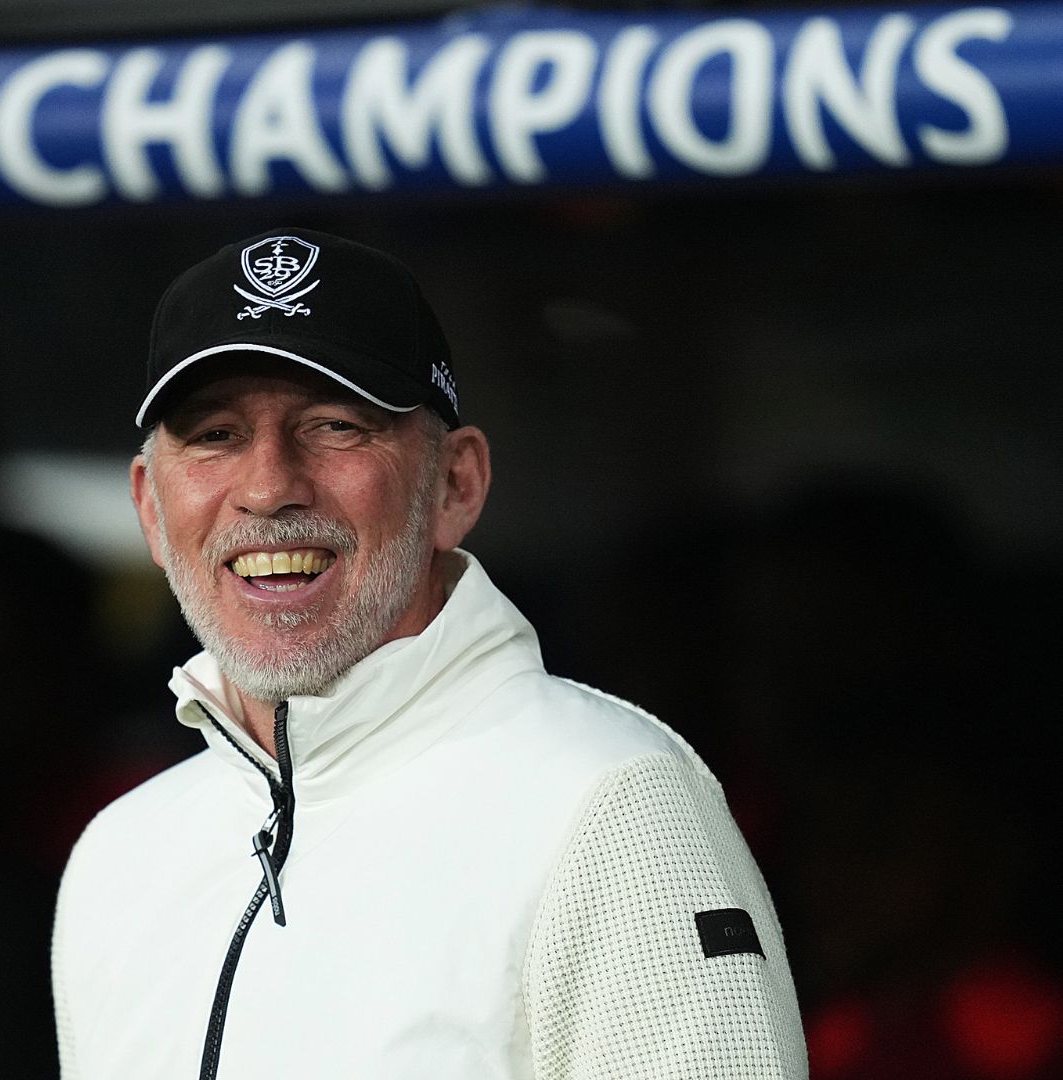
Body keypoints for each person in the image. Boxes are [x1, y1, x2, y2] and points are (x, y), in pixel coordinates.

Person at [51, 227, 807, 1079]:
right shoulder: (117, 860)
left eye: (334, 426)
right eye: (215, 435)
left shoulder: (611, 806)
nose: (267, 487)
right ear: (151, 509)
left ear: (456, 483)